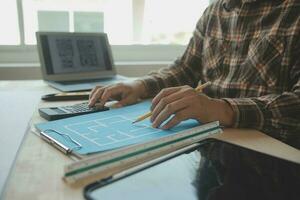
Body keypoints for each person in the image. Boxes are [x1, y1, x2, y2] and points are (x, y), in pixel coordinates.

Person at [89, 0, 300, 149]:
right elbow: (185, 69)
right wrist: (139, 86)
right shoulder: (214, 12)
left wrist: (221, 110)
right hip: (210, 139)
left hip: (270, 151)